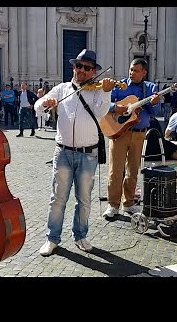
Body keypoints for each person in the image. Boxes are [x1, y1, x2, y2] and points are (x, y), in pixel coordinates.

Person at [34, 49, 115, 257]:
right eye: (78, 66)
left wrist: (106, 92)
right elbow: (37, 107)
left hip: (88, 155)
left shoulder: (97, 92)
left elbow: (100, 112)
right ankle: (52, 239)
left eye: (87, 68)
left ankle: (80, 236)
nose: (81, 70)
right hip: (63, 153)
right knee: (58, 198)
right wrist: (45, 103)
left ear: (93, 71)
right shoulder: (61, 89)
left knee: (84, 199)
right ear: (74, 67)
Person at [102, 58, 161, 219]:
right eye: (130, 69)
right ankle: (112, 205)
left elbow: (155, 113)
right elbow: (103, 104)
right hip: (119, 132)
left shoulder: (150, 88)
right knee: (115, 170)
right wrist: (117, 107)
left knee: (133, 170)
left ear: (144, 72)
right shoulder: (120, 85)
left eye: (136, 70)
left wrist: (154, 103)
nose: (131, 73)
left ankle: (128, 203)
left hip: (140, 133)